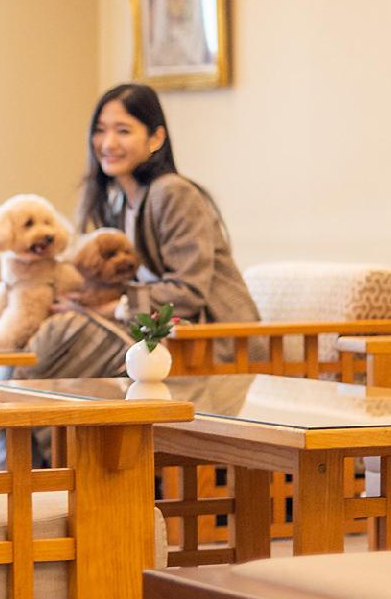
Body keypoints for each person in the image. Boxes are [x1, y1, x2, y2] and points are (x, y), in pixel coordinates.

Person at [16, 82, 257, 381]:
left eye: (123, 131)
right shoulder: (120, 201)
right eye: (101, 130)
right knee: (49, 333)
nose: (108, 143)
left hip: (211, 340)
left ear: (156, 138)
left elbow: (189, 291)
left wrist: (115, 307)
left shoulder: (173, 193)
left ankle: (16, 426)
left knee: (63, 336)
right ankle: (17, 426)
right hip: (155, 329)